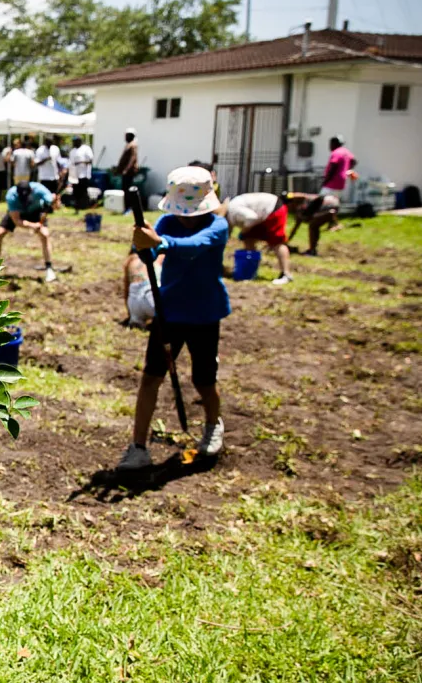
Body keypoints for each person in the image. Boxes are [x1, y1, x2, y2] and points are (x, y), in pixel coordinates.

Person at [117, 165, 229, 470]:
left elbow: (195, 247)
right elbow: (152, 256)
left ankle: (212, 425)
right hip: (170, 312)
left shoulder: (217, 226)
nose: (184, 217)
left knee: (203, 379)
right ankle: (138, 446)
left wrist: (160, 243)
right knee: (152, 376)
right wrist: (144, 247)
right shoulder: (166, 222)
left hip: (205, 314)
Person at [0, 180, 58, 282]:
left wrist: (55, 202)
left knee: (45, 235)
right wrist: (33, 226)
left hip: (35, 211)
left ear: (32, 191)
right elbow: (17, 221)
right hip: (17, 213)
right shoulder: (11, 196)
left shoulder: (39, 189)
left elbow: (56, 207)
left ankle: (49, 268)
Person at [226, 192, 292, 284]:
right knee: (248, 239)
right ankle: (249, 272)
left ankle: (286, 274)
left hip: (274, 209)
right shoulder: (230, 212)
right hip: (260, 215)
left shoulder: (234, 210)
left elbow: (252, 218)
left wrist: (244, 230)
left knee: (277, 243)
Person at [285, 191, 340, 256]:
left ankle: (312, 251)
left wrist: (290, 195)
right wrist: (286, 242)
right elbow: (295, 228)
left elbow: (302, 195)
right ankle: (312, 250)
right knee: (314, 226)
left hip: (329, 203)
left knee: (313, 226)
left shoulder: (302, 203)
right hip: (331, 203)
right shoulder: (300, 210)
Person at [123, 250, 165, 328]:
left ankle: (136, 320)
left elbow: (126, 290)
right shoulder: (160, 255)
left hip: (134, 303)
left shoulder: (130, 260)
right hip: (151, 297)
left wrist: (130, 313)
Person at [321, 135, 357, 202]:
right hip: (341, 182)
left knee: (322, 202)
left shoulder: (336, 152)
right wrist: (348, 169)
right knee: (334, 202)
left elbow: (333, 167)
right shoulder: (346, 151)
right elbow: (354, 161)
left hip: (332, 182)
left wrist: (325, 181)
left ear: (334, 143)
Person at [68, 137, 94, 210]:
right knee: (76, 192)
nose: (74, 143)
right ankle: (77, 205)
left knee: (83, 191)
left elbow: (90, 160)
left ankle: (85, 206)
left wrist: (80, 162)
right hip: (75, 175)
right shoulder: (72, 151)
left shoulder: (86, 149)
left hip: (84, 174)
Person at [36, 135, 63, 199]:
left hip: (54, 176)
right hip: (44, 177)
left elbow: (58, 161)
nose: (49, 144)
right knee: (45, 194)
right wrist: (46, 159)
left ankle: (52, 206)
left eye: (51, 142)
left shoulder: (55, 148)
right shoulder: (40, 150)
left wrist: (60, 171)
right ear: (45, 142)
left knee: (54, 193)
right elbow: (37, 163)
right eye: (48, 142)